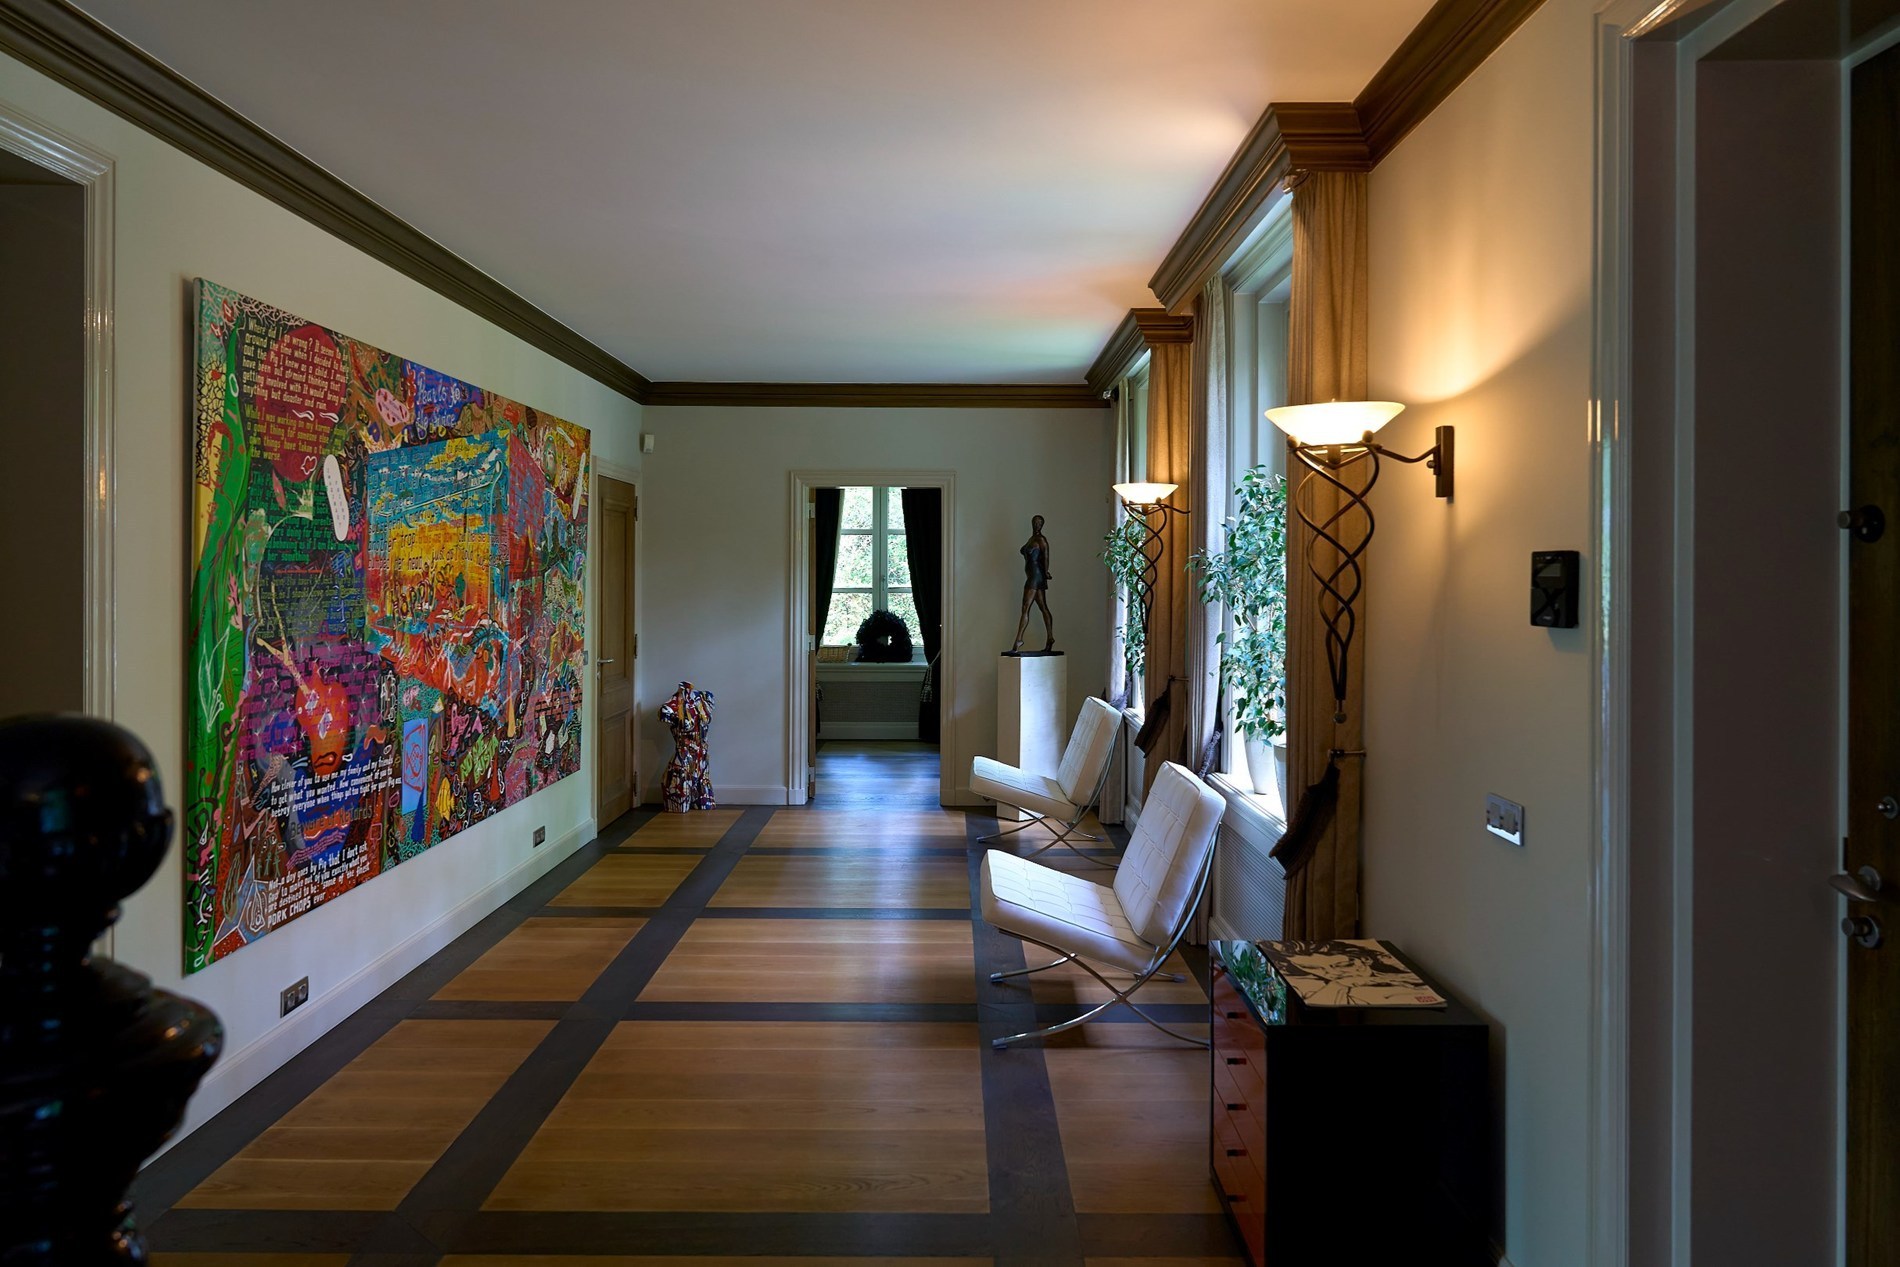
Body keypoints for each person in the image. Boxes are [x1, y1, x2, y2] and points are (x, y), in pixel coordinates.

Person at [1011, 515, 1054, 653]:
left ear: (1042, 525)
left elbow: (1046, 557)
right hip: (1033, 576)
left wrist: (1046, 572)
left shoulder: (1041, 540)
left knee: (1025, 606)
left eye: (1040, 523)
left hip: (1036, 576)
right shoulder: (1031, 539)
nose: (1037, 525)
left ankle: (1019, 639)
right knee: (1043, 607)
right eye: (1035, 522)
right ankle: (1050, 637)